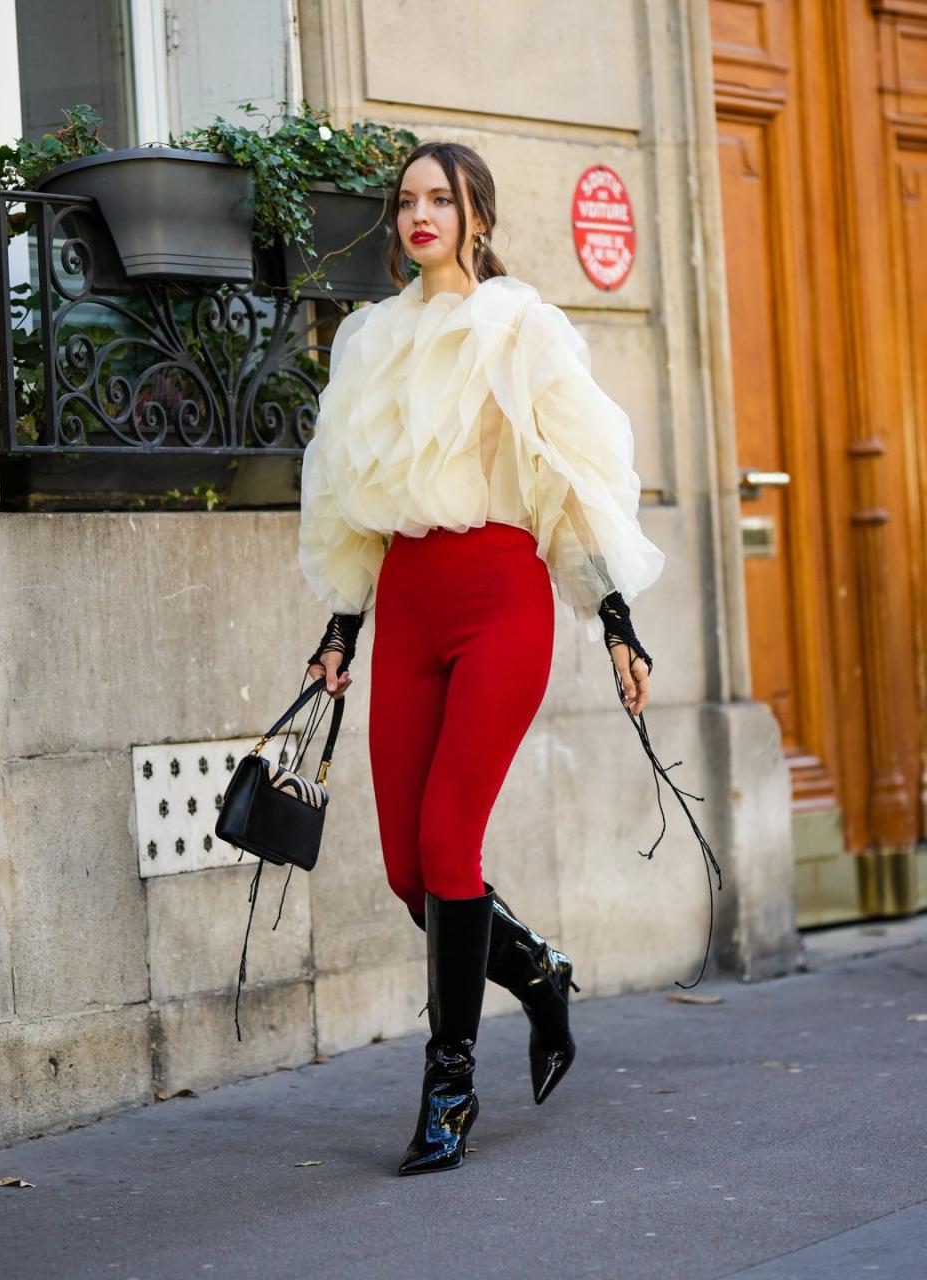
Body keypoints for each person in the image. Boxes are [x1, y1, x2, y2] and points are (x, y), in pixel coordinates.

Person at [298, 140, 664, 1177]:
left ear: (477, 216)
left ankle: (448, 1087)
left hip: (501, 596)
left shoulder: (522, 327)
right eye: (405, 200)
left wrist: (616, 620)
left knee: (450, 840)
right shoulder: (367, 341)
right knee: (411, 873)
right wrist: (342, 627)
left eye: (439, 200)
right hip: (407, 603)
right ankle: (539, 970)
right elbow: (350, 506)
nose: (420, 215)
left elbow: (568, 491)